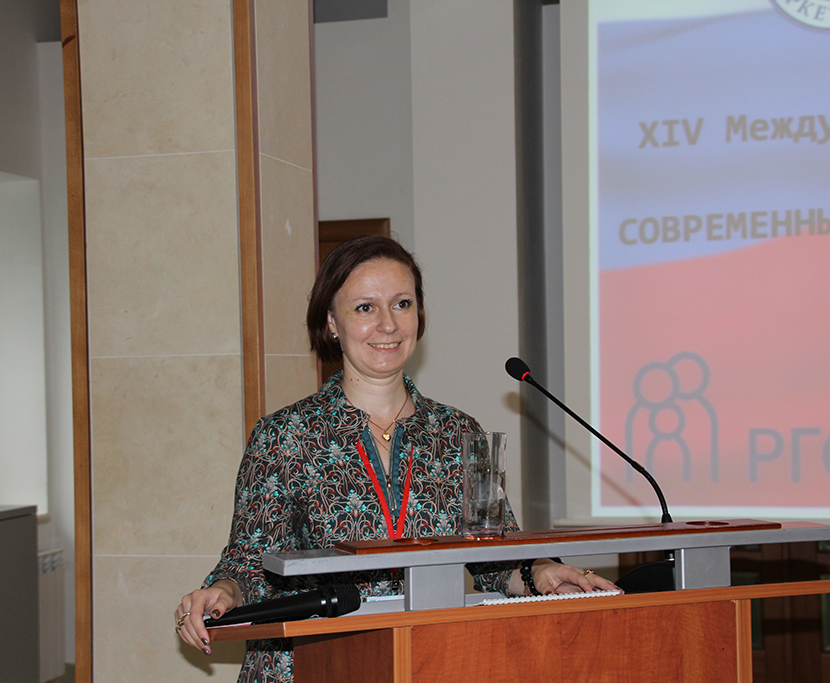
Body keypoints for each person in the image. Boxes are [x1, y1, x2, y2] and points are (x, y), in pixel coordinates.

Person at [174, 236, 618, 681]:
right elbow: (249, 564)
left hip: (430, 662)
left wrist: (542, 572)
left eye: (402, 304)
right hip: (311, 666)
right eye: (365, 307)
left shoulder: (457, 432)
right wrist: (223, 592)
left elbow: (495, 558)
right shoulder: (284, 436)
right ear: (331, 322)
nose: (387, 324)